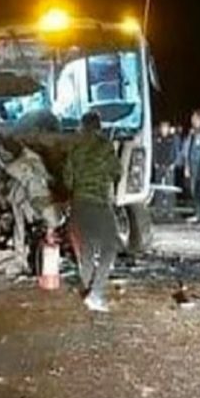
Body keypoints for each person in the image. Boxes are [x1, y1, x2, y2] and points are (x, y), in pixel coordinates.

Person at [63, 111, 123, 312]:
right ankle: (95, 294)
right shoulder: (105, 146)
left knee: (87, 248)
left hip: (79, 204)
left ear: (82, 126)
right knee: (110, 247)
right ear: (99, 127)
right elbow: (117, 171)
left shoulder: (75, 147)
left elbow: (67, 179)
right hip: (98, 203)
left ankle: (88, 290)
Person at [152, 120, 181, 221]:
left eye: (166, 127)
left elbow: (177, 151)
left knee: (170, 189)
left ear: (168, 129)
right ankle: (158, 210)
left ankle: (170, 210)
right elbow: (154, 150)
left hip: (169, 166)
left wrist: (174, 164)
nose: (164, 129)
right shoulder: (157, 138)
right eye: (162, 127)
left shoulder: (173, 139)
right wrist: (155, 162)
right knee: (158, 189)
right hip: (159, 166)